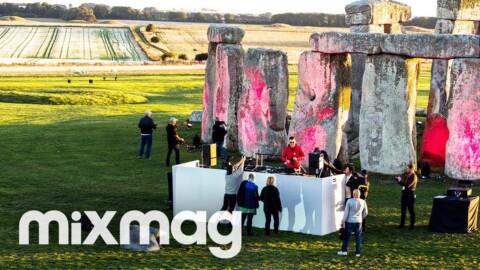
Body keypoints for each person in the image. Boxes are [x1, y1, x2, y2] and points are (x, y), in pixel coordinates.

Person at [338, 189, 368, 257]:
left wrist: (343, 221)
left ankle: (344, 251)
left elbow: (346, 213)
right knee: (358, 238)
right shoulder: (363, 202)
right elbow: (366, 212)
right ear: (359, 195)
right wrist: (361, 218)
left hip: (349, 221)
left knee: (346, 237)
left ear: (353, 194)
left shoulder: (349, 201)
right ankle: (358, 253)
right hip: (359, 222)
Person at [396, 163, 418, 230]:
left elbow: (407, 185)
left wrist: (400, 181)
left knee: (411, 210)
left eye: (407, 168)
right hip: (404, 195)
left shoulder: (414, 177)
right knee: (403, 210)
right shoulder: (406, 176)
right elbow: (404, 184)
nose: (406, 169)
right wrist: (398, 181)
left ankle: (412, 225)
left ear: (411, 169)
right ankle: (402, 224)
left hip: (410, 196)